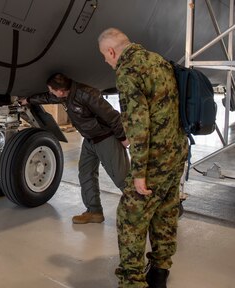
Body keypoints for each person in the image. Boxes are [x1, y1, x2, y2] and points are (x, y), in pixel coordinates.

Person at [98, 28, 188, 288]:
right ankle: (160, 272)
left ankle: (132, 281)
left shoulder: (128, 71)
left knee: (130, 219)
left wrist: (139, 174)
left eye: (105, 56)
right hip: (176, 152)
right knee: (165, 212)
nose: (106, 61)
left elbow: (138, 127)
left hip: (155, 160)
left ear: (111, 51)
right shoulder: (159, 61)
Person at [20, 73, 130, 224]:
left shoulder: (87, 94)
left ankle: (148, 210)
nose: (50, 92)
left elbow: (113, 116)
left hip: (106, 138)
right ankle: (94, 211)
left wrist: (123, 138)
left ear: (60, 91)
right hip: (90, 140)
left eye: (52, 90)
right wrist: (28, 100)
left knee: (122, 178)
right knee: (86, 174)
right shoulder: (64, 95)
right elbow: (47, 97)